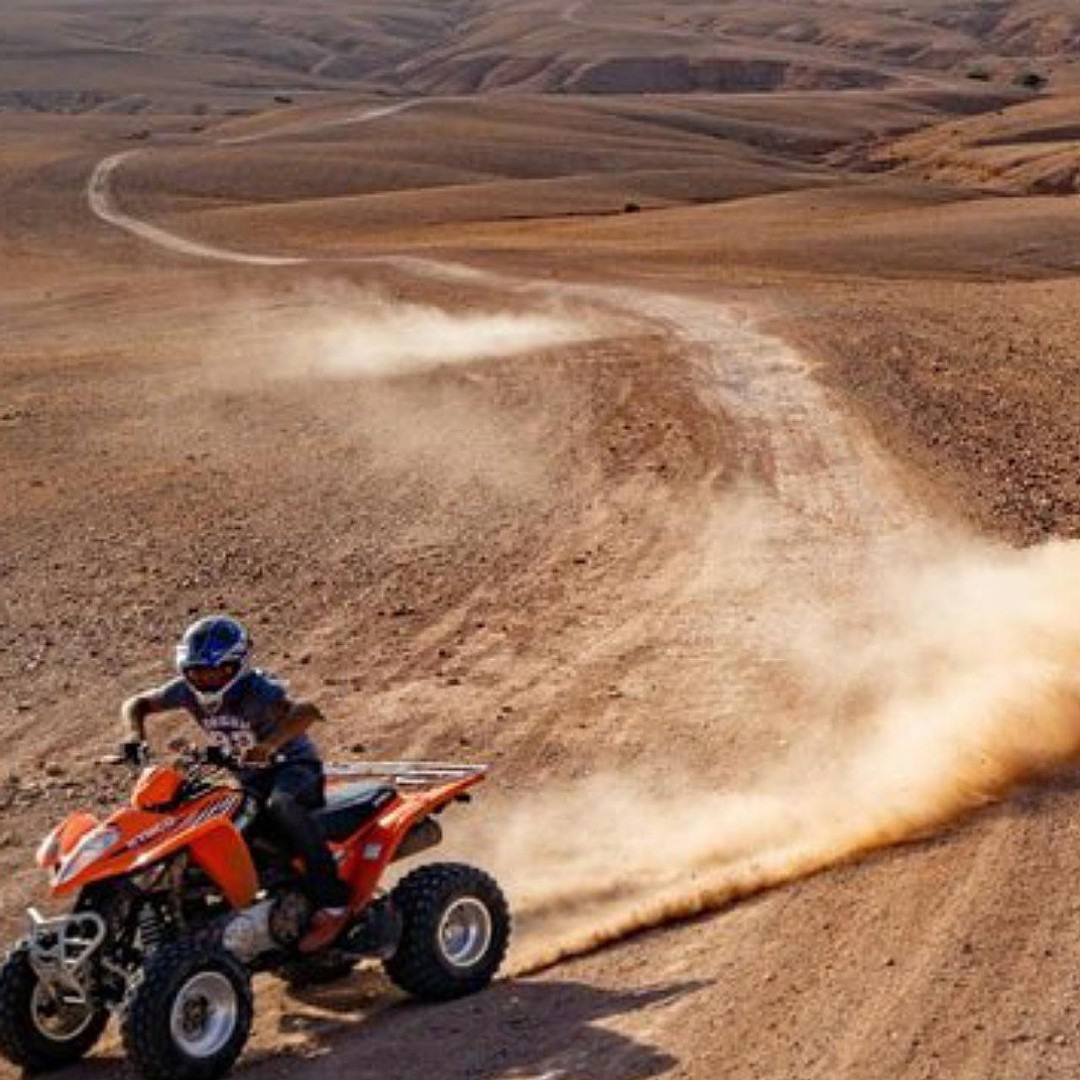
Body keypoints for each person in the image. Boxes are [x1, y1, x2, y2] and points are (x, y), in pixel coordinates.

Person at [120, 614, 349, 953]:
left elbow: (307, 711)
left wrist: (269, 746)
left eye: (217, 671)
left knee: (280, 806)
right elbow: (136, 703)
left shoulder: (259, 689)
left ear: (237, 666)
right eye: (197, 671)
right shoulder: (185, 692)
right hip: (250, 779)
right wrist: (133, 735)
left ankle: (334, 905)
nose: (207, 679)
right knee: (214, 826)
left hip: (294, 769)